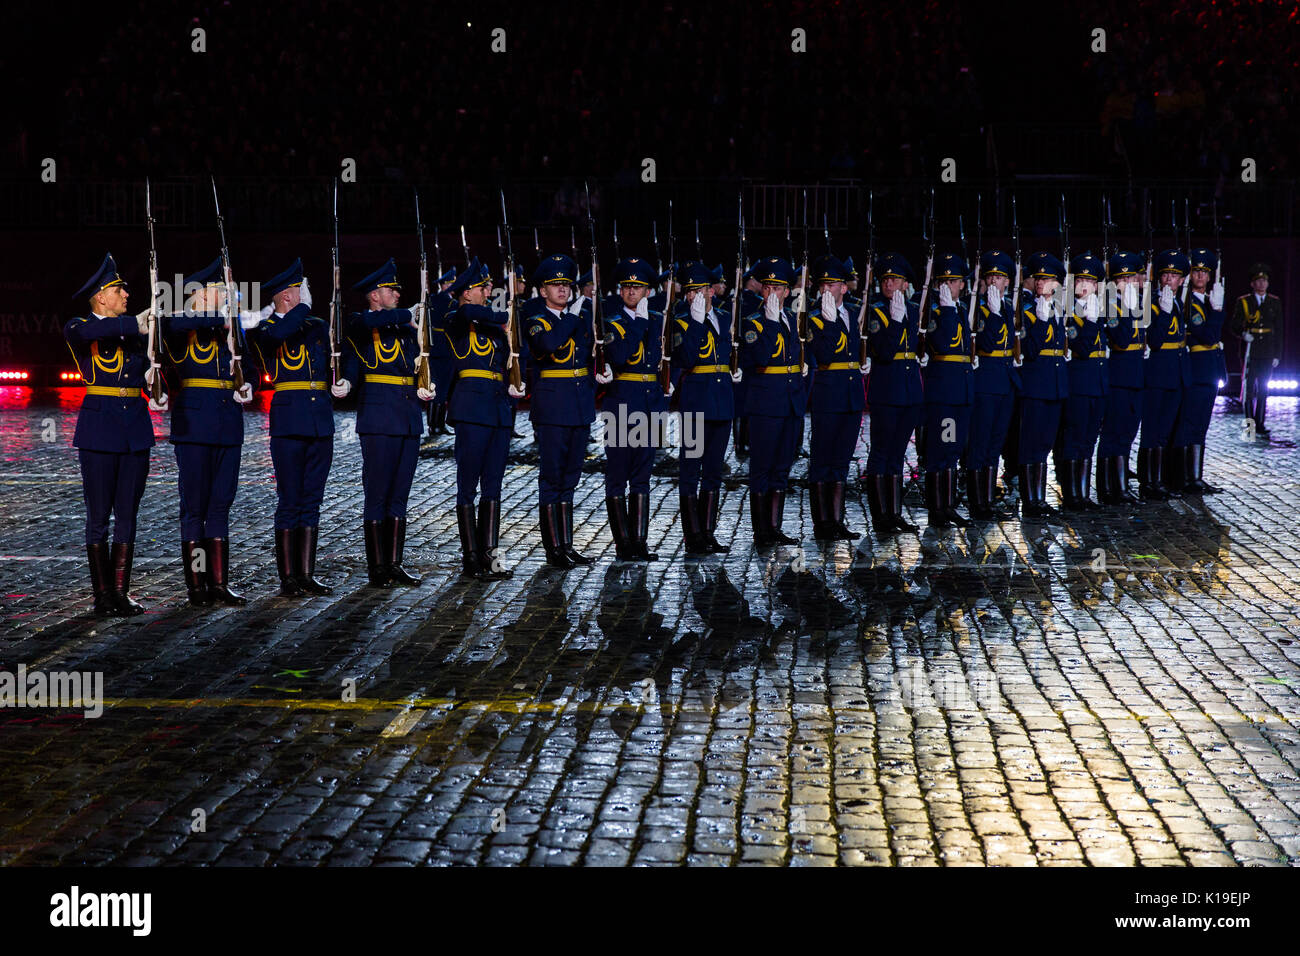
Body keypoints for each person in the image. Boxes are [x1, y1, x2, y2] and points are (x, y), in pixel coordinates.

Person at [64, 253, 158, 616]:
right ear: (101, 297)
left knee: (128, 514)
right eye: (119, 290)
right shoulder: (78, 326)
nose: (125, 295)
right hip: (99, 432)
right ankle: (102, 594)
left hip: (135, 429)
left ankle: (121, 591)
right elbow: (91, 332)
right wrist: (135, 325)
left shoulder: (134, 335)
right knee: (99, 515)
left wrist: (156, 381)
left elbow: (147, 374)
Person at [164, 258, 255, 605]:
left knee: (220, 506)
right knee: (194, 509)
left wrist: (250, 385)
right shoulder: (182, 327)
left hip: (227, 426)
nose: (227, 296)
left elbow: (248, 364)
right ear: (200, 295)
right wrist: (227, 316)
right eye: (220, 291)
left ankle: (218, 583)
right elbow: (174, 321)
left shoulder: (229, 329)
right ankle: (197, 585)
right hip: (194, 428)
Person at [336, 258, 430, 587]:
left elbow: (427, 361)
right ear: (375, 295)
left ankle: (394, 563)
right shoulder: (360, 323)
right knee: (377, 492)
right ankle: (377, 567)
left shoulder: (406, 330)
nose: (397, 295)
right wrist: (347, 382)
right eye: (391, 291)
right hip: (377, 418)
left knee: (400, 494)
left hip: (407, 417)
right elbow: (353, 353)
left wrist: (429, 385)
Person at [248, 259, 335, 597]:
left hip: (319, 421)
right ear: (286, 295)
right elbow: (279, 336)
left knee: (312, 498)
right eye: (299, 289)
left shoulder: (314, 324)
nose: (305, 295)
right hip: (288, 421)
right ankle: (288, 578)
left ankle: (306, 574)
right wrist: (303, 308)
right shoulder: (264, 329)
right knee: (290, 499)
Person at [523, 253, 598, 568]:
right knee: (552, 478)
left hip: (579, 405)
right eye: (555, 285)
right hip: (553, 407)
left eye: (566, 284)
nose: (563, 290)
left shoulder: (580, 316)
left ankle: (566, 544)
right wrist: (572, 318)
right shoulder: (534, 318)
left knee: (571, 478)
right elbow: (548, 346)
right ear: (543, 291)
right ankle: (554, 548)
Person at [444, 258, 517, 579]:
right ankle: (470, 558)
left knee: (493, 486)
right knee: (468, 486)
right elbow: (471, 313)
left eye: (487, 287)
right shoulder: (457, 316)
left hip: (498, 409)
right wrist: (507, 315)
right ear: (465, 292)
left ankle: (491, 558)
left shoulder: (492, 326)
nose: (488, 292)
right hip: (471, 409)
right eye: (481, 288)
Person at [602, 257, 666, 561]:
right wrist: (639, 322)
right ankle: (622, 543)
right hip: (621, 403)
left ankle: (639, 541)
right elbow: (621, 356)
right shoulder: (612, 322)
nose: (631, 292)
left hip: (650, 401)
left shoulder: (659, 319)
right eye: (627, 287)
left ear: (647, 291)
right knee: (617, 473)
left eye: (638, 287)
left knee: (642, 474)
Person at [671, 262, 737, 555]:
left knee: (713, 471)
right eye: (689, 291)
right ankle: (692, 535)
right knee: (690, 470)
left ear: (712, 290)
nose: (693, 296)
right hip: (696, 402)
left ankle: (708, 532)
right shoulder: (681, 321)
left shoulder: (725, 317)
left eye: (699, 289)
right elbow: (686, 358)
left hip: (722, 401)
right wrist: (696, 323)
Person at [738, 256, 805, 545]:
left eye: (778, 289)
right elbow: (763, 357)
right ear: (762, 292)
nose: (773, 294)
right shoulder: (754, 323)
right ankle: (761, 531)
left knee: (782, 467)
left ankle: (775, 528)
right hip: (765, 405)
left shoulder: (792, 318)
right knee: (762, 467)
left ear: (787, 292)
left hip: (789, 402)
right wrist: (771, 322)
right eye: (768, 288)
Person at [863, 253, 923, 535]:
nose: (889, 284)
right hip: (887, 390)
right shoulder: (875, 312)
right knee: (881, 453)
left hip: (910, 391)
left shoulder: (913, 308)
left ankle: (895, 513)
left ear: (905, 283)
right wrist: (896, 322)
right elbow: (885, 352)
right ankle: (880, 517)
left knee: (898, 455)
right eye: (886, 279)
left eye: (895, 279)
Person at [806, 254, 865, 539]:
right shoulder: (815, 319)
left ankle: (837, 520)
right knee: (822, 458)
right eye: (823, 285)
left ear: (844, 287)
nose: (827, 290)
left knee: (842, 459)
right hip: (828, 395)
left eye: (833, 284)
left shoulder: (855, 314)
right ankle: (822, 524)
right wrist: (829, 323)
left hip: (852, 394)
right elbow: (825, 355)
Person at [921, 253, 974, 528]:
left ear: (962, 285)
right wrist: (947, 310)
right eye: (944, 281)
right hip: (945, 394)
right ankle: (937, 509)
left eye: (953, 281)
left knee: (953, 450)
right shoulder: (937, 313)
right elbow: (943, 344)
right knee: (941, 449)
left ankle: (948, 505)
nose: (949, 286)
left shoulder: (964, 309)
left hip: (961, 393)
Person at [965, 250, 1019, 519]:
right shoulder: (979, 308)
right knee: (980, 441)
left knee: (996, 443)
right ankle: (977, 503)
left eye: (1001, 277)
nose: (996, 281)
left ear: (1008, 282)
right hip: (985, 381)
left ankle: (988, 500)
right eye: (991, 277)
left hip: (1005, 380)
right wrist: (994, 315)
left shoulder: (1009, 306)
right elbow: (987, 343)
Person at [1016, 251, 1069, 518]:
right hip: (1036, 384)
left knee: (1045, 444)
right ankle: (1031, 501)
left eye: (1046, 279)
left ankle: (1039, 498)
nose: (1040, 284)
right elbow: (1032, 349)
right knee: (1031, 443)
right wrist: (1039, 322)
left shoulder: (1060, 309)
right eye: (1038, 279)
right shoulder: (1027, 311)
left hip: (1056, 384)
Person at [1054, 252, 1107, 510]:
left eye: (1091, 281)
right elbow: (1083, 347)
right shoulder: (1068, 314)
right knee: (1074, 438)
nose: (1085, 286)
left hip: (1097, 383)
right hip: (1078, 383)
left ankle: (1083, 494)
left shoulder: (1100, 311)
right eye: (1081, 280)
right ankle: (1071, 495)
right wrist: (1091, 322)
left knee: (1089, 439)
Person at [1136, 249, 1190, 499]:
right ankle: (1148, 483)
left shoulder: (1178, 301)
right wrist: (1165, 314)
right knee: (1152, 429)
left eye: (1174, 276)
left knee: (1165, 430)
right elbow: (1155, 341)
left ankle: (1159, 480)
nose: (1169, 280)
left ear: (1181, 280)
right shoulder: (1152, 302)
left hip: (1175, 373)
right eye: (1165, 275)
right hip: (1157, 373)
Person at [1173, 249, 1226, 492]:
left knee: (1201, 424)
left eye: (1205, 272)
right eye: (1197, 271)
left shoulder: (1207, 299)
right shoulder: (1189, 303)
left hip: (1210, 369)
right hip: (1196, 369)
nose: (1201, 276)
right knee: (1190, 422)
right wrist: (1216, 312)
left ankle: (1195, 476)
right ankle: (1183, 477)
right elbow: (1208, 334)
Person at [1095, 250, 1146, 504]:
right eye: (1122, 280)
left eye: (1131, 279)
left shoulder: (1135, 304)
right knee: (1112, 434)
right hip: (1117, 377)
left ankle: (1121, 484)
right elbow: (1123, 339)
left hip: (1135, 376)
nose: (1129, 284)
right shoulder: (1111, 306)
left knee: (1127, 433)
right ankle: (1107, 488)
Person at [1232, 262, 1284, 437]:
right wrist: (1243, 333)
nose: (1261, 284)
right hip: (1250, 350)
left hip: (1267, 351)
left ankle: (1260, 423)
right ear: (1252, 284)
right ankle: (1249, 425)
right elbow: (1234, 325)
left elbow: (1279, 330)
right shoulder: (1244, 302)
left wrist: (1277, 354)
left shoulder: (1274, 302)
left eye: (1264, 281)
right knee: (1248, 390)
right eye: (1258, 281)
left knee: (1263, 389)